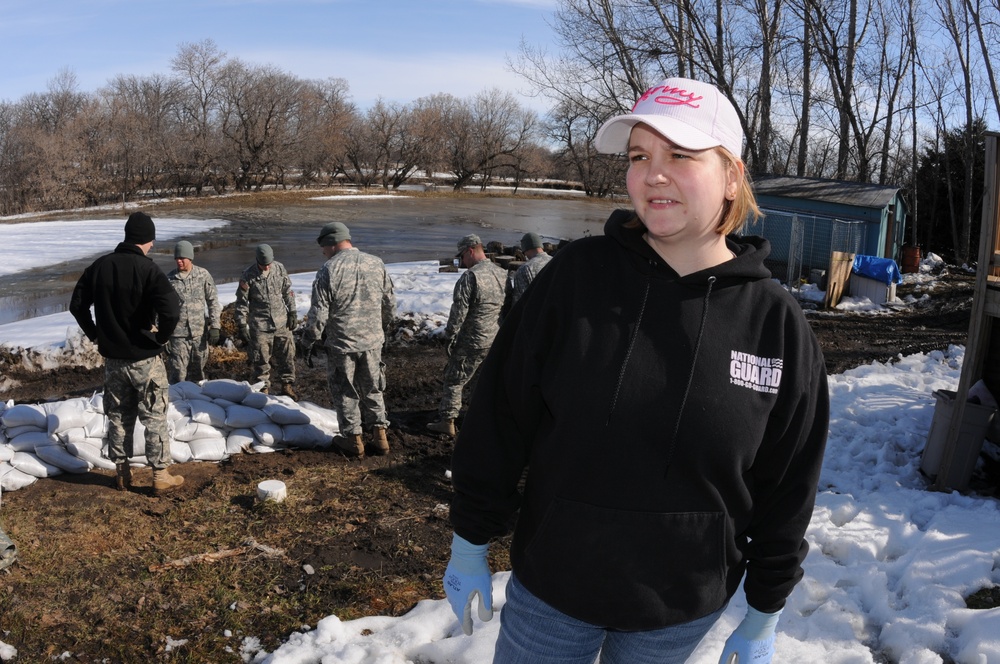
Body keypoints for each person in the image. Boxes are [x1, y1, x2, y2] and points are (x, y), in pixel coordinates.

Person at [442, 77, 830, 664]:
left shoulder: (774, 324)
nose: (653, 174)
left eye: (680, 155)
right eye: (639, 156)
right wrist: (470, 536)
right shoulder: (574, 280)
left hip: (679, 609)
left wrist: (766, 606)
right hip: (554, 591)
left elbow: (789, 478)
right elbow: (501, 414)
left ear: (731, 176)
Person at [69, 211, 185, 495]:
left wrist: (95, 333)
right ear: (146, 239)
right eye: (152, 241)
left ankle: (122, 474)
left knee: (118, 415)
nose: (153, 246)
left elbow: (77, 305)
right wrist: (163, 337)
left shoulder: (100, 266)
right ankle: (160, 475)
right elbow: (171, 310)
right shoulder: (149, 270)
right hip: (145, 358)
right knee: (154, 414)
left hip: (114, 361)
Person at [299, 222, 397, 457]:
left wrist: (308, 341)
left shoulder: (329, 269)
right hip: (372, 341)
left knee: (345, 390)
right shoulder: (376, 263)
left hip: (343, 343)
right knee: (373, 387)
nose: (323, 252)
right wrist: (380, 329)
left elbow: (318, 314)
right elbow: (390, 305)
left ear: (331, 244)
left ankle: (353, 440)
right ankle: (380, 436)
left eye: (323, 247)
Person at [427, 234, 507, 437]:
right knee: (483, 382)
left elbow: (458, 312)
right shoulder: (502, 274)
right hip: (494, 338)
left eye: (462, 256)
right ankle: (480, 418)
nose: (462, 262)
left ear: (470, 251)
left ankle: (447, 421)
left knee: (454, 380)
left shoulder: (471, 277)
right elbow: (508, 307)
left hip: (472, 339)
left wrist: (450, 336)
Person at [234, 243, 297, 398]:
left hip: (281, 323)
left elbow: (287, 291)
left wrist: (292, 312)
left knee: (287, 356)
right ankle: (263, 390)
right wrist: (242, 325)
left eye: (269, 264)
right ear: (257, 261)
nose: (267, 267)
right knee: (261, 360)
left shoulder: (279, 268)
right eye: (263, 265)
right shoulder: (248, 275)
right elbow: (242, 303)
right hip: (260, 325)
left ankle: (287, 386)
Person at [165, 240, 221, 383]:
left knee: (197, 375)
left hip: (198, 334)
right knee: (177, 375)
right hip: (177, 335)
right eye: (177, 258)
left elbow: (213, 301)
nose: (179, 261)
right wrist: (163, 336)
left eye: (182, 258)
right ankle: (177, 404)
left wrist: (215, 325)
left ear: (190, 258)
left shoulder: (203, 275)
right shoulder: (169, 279)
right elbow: (162, 308)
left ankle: (196, 403)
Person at [508, 232, 552, 307]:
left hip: (536, 315)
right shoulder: (555, 261)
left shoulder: (525, 269)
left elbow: (519, 303)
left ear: (525, 248)